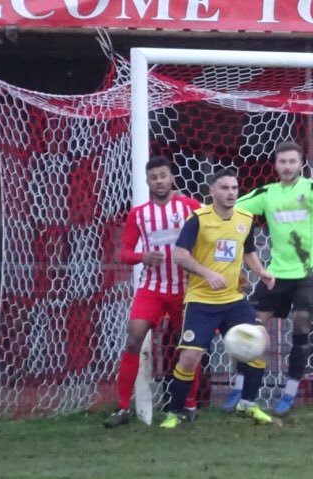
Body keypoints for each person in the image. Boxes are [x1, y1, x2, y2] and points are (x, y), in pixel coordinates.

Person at [231, 140, 313, 416]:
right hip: (276, 273)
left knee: (300, 324)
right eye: (283, 161)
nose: (287, 167)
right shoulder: (267, 193)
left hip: (307, 274)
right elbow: (234, 210)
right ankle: (239, 389)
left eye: (292, 161)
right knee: (251, 327)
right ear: (275, 165)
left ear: (301, 164)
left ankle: (289, 392)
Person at [161, 169, 277, 428]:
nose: (231, 193)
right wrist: (206, 273)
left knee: (261, 342)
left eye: (234, 188)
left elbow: (247, 250)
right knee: (189, 358)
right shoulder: (198, 219)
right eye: (224, 188)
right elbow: (179, 255)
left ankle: (247, 404)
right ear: (212, 191)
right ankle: (175, 412)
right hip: (201, 300)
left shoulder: (245, 218)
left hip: (233, 299)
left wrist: (261, 272)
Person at [105, 157, 205, 428]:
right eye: (154, 177)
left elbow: (210, 236)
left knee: (189, 347)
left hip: (185, 289)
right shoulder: (138, 214)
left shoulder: (190, 207)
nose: (159, 181)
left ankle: (189, 405)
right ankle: (123, 408)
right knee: (133, 339)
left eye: (163, 176)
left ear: (171, 177)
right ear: (147, 181)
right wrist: (143, 257)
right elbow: (125, 253)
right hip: (152, 288)